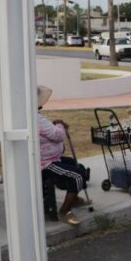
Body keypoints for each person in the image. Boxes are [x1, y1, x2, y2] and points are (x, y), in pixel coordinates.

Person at [37, 85, 86, 226]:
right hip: (45, 163)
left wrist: (56, 126)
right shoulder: (36, 118)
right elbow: (57, 135)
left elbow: (47, 132)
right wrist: (59, 125)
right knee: (77, 176)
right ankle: (64, 211)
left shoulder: (34, 116)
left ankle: (73, 197)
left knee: (78, 167)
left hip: (50, 158)